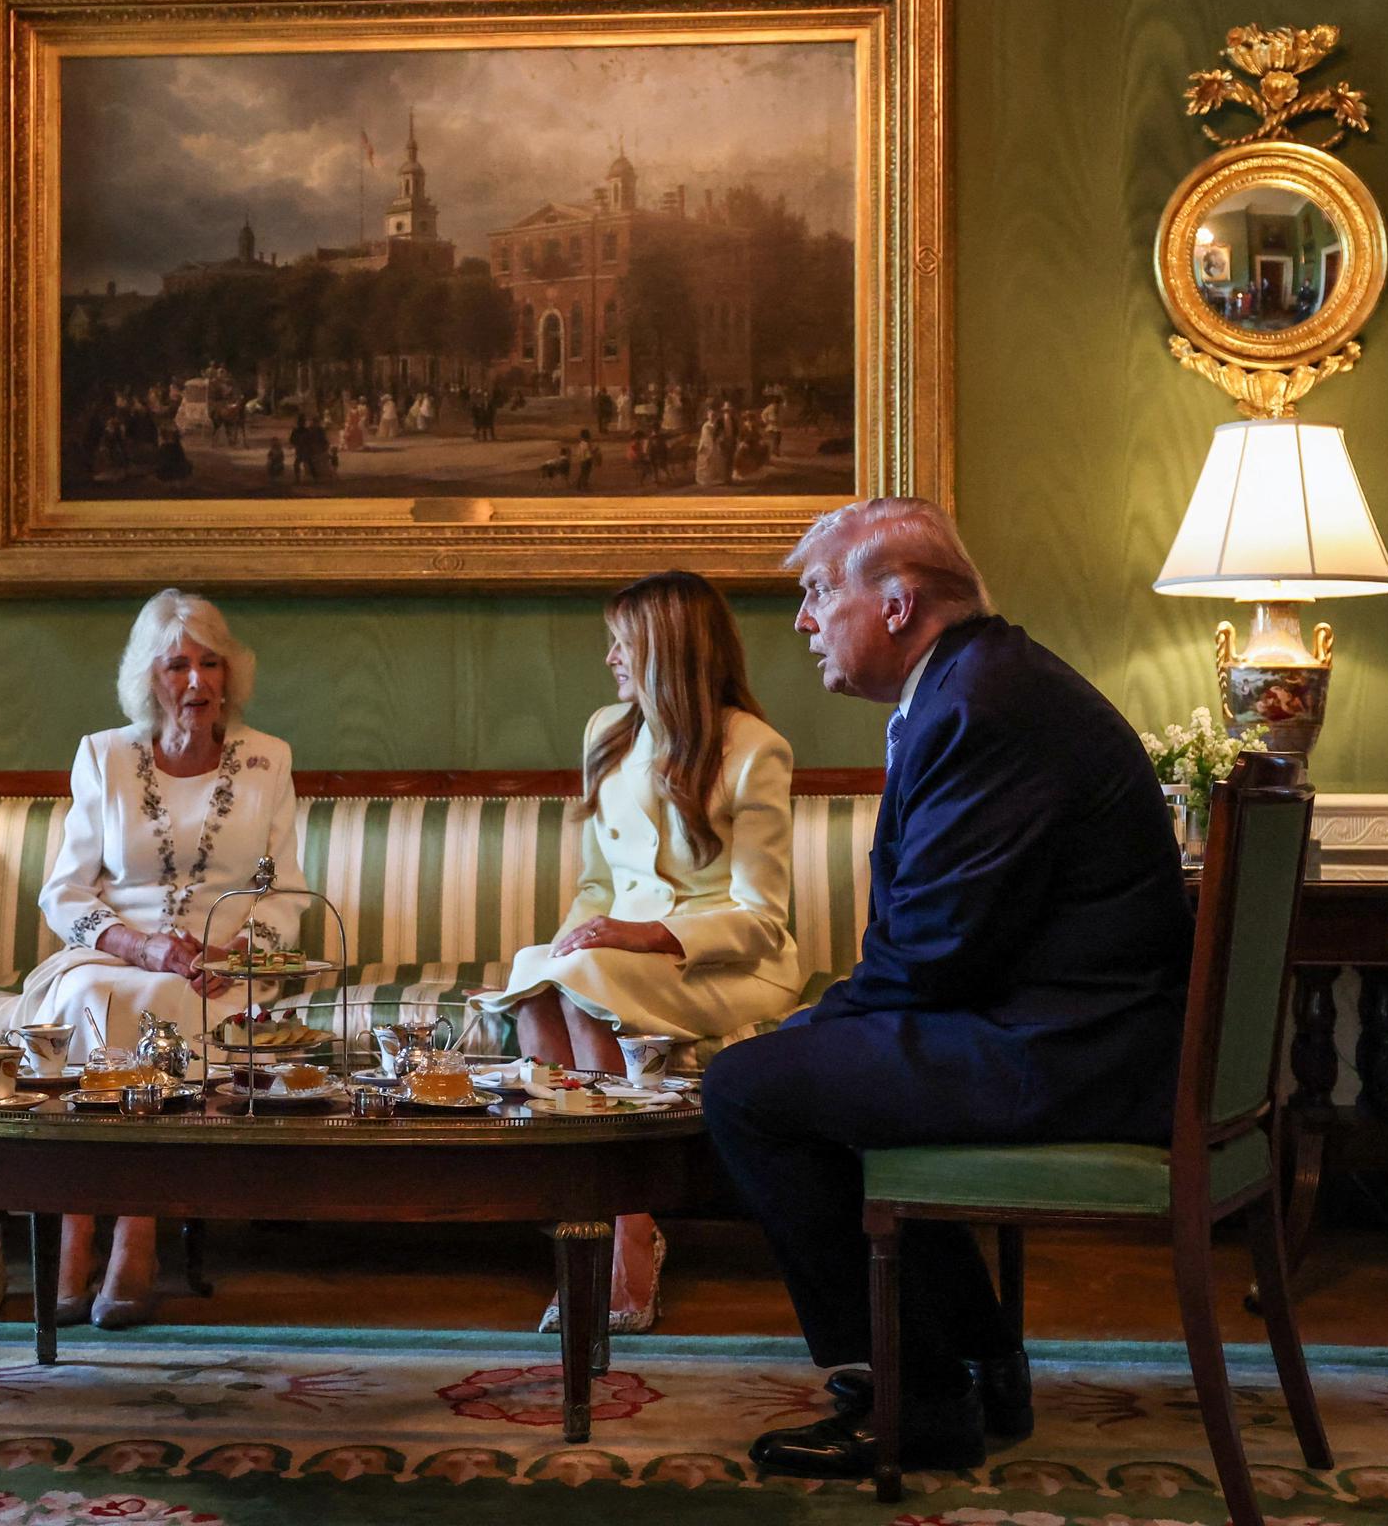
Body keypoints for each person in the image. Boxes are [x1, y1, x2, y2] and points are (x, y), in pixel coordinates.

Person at [702, 499, 1193, 1480]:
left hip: (1068, 1056)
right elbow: (951, 938)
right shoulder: (983, 684)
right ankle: (971, 1355)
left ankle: (911, 1397)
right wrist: (831, 1024)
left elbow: (932, 949)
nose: (803, 622)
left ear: (895, 602)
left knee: (750, 1088)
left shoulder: (982, 704)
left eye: (816, 592)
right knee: (811, 1068)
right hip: (1068, 1031)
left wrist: (818, 1021)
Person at [477, 571, 800, 1333]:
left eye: (623, 643)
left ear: (668, 649)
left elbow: (763, 917)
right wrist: (571, 941)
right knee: (544, 975)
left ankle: (622, 1239)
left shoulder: (756, 751)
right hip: (617, 962)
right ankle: (599, 1225)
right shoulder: (606, 732)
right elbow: (596, 886)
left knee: (585, 978)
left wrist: (642, 935)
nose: (611, 658)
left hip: (726, 969)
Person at [0, 590, 307, 1327]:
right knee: (96, 996)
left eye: (210, 664)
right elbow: (64, 894)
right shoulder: (105, 755)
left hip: (219, 968)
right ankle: (77, 1226)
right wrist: (143, 945)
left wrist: (242, 955)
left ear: (231, 674)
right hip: (113, 954)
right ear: (148, 680)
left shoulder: (267, 760)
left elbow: (282, 894)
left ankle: (136, 1227)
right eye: (177, 666)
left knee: (165, 1004)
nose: (196, 683)